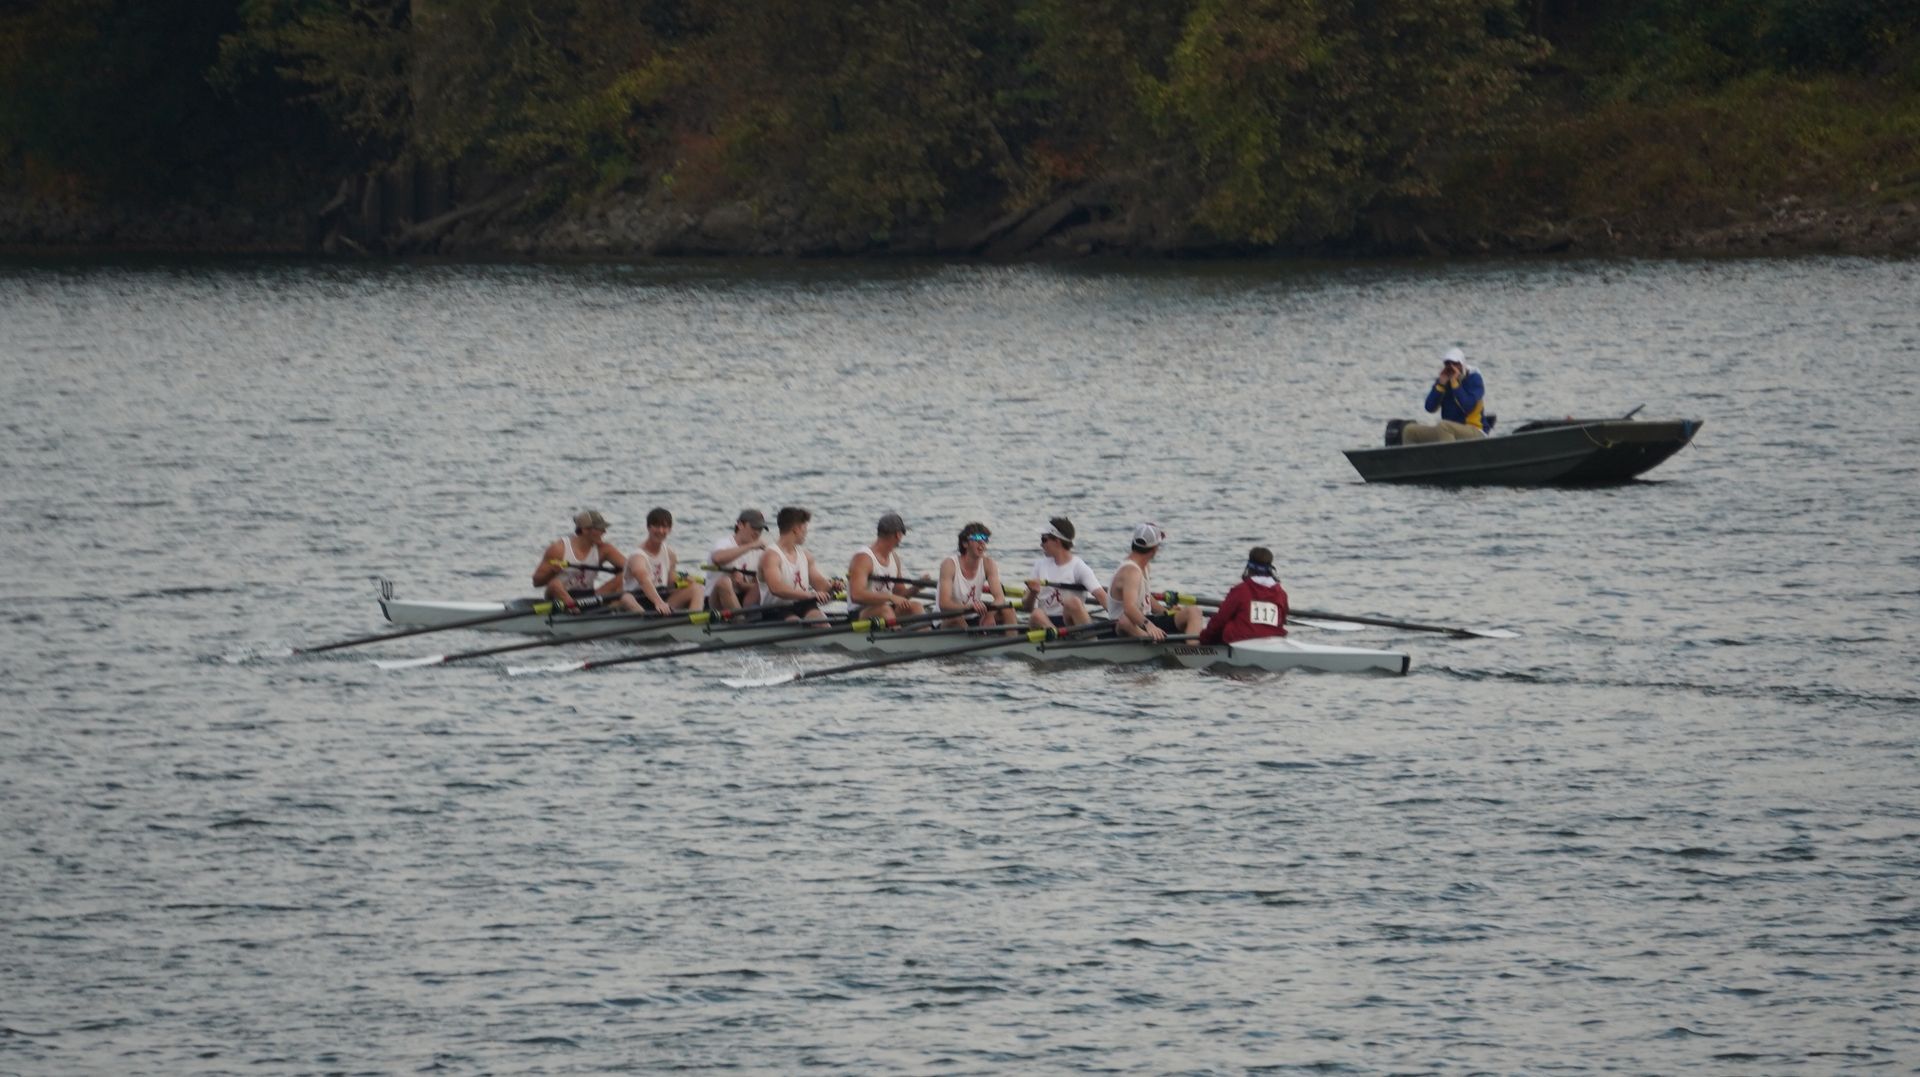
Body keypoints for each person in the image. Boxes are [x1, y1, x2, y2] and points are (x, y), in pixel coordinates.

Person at [1105, 522, 1205, 641]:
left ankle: (1193, 651)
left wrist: (1166, 612)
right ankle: (1156, 642)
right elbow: (1129, 608)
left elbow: (1147, 599)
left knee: (1193, 612)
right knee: (1125, 621)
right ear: (1154, 549)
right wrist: (1149, 626)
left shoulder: (1144, 566)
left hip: (1145, 620)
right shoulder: (1131, 572)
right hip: (1125, 627)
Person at [757, 506, 839, 624]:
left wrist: (832, 588)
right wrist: (810, 594)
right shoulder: (771, 556)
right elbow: (776, 588)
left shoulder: (806, 556)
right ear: (796, 529)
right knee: (795, 623)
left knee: (821, 621)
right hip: (776, 609)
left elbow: (822, 587)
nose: (806, 532)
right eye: (805, 527)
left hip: (804, 604)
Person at [532, 510, 627, 612]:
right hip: (559, 595)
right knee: (555, 584)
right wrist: (551, 572)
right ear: (585, 530)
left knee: (625, 575)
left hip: (589, 596)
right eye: (600, 528)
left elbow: (631, 568)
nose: (604, 532)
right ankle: (575, 611)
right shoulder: (558, 549)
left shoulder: (605, 549)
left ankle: (614, 608)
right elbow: (536, 582)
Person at [616, 506, 705, 615]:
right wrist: (659, 603)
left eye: (664, 527)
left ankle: (693, 623)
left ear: (670, 529)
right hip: (638, 599)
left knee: (697, 588)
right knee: (626, 598)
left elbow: (670, 582)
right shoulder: (638, 556)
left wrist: (684, 579)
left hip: (662, 598)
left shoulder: (670, 554)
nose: (661, 531)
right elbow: (643, 580)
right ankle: (645, 620)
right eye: (656, 526)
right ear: (648, 527)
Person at [1023, 516, 1107, 629]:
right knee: (1036, 614)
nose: (1041, 544)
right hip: (1045, 621)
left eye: (1044, 539)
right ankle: (1058, 637)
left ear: (1057, 541)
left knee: (1073, 603)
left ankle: (1088, 639)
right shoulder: (1039, 565)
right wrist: (1032, 593)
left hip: (1071, 620)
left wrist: (1121, 618)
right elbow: (1026, 607)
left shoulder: (1079, 567)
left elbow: (1101, 596)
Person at [845, 512, 927, 625]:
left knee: (916, 607)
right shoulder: (863, 558)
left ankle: (925, 637)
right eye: (903, 534)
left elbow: (900, 595)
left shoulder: (894, 558)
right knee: (885, 610)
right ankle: (897, 636)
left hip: (886, 606)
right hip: (860, 612)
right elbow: (856, 595)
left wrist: (916, 587)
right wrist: (889, 597)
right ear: (898, 535)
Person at [1198, 547, 1289, 645]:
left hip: (1240, 641)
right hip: (1273, 641)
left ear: (1249, 566)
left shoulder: (1241, 590)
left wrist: (1204, 639)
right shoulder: (1281, 594)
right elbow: (1282, 621)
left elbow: (1220, 620)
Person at [937, 522, 1018, 629]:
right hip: (947, 618)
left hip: (973, 615)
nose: (982, 542)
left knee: (1008, 610)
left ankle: (1010, 643)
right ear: (965, 543)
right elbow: (944, 604)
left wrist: (990, 614)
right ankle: (974, 637)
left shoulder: (988, 564)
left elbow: (1000, 598)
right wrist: (969, 607)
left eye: (984, 539)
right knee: (958, 617)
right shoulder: (949, 565)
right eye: (977, 538)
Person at [1402, 346, 1487, 443]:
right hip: (1448, 431)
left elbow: (1468, 406)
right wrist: (1440, 386)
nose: (1451, 367)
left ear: (1462, 365)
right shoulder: (1444, 381)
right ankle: (1414, 457)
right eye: (1448, 364)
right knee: (1410, 430)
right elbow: (1429, 408)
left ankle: (1449, 457)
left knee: (1444, 426)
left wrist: (1455, 384)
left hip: (1474, 430)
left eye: (1455, 364)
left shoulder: (1473, 379)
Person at [705, 509, 771, 613]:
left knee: (768, 582)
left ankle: (750, 616)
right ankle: (741, 620)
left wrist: (742, 585)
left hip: (743, 598)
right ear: (740, 525)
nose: (757, 532)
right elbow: (717, 559)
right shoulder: (724, 543)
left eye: (760, 529)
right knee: (724, 582)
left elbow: (757, 584)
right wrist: (750, 546)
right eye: (754, 527)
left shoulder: (760, 551)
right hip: (716, 600)